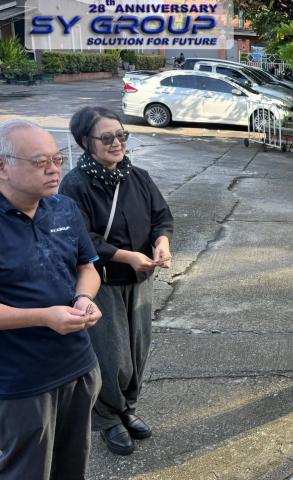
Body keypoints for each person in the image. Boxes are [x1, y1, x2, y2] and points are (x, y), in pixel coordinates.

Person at [59, 107, 174, 456]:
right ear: (85, 143)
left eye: (121, 136)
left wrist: (161, 242)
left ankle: (128, 408)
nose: (117, 143)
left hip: (141, 279)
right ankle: (108, 418)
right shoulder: (75, 185)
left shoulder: (137, 176)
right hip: (104, 283)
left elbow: (161, 216)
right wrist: (126, 256)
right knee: (111, 356)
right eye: (106, 138)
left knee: (138, 352)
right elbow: (82, 238)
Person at [0, 118, 103, 479]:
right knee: (26, 470)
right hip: (20, 379)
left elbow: (87, 266)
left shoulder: (63, 208)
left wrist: (83, 298)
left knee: (72, 465)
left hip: (78, 363)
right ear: (3, 166)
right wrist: (44, 316)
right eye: (40, 162)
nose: (54, 169)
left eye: (58, 159)